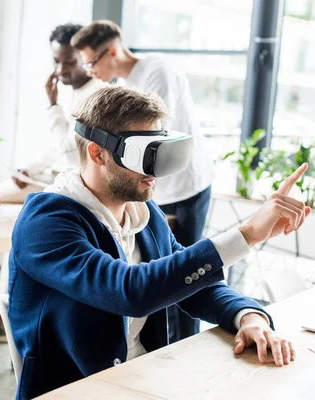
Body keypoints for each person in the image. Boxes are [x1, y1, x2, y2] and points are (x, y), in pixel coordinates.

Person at [8, 86, 310, 399]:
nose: (155, 169)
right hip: (77, 389)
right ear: (97, 152)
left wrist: (248, 317)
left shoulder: (144, 213)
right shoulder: (46, 221)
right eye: (142, 154)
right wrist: (248, 234)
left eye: (160, 149)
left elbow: (195, 283)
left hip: (145, 379)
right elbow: (129, 291)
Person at [0, 23, 105, 344]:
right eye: (56, 61)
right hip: (45, 175)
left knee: (21, 229)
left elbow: (71, 152)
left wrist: (52, 105)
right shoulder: (71, 92)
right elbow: (56, 147)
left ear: (85, 58)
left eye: (68, 61)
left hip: (70, 186)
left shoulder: (97, 94)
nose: (60, 69)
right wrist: (28, 168)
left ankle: (2, 321)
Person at [71, 20, 216, 342]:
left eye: (92, 62)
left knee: (184, 276)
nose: (90, 71)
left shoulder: (156, 73)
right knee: (161, 273)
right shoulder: (124, 81)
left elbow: (153, 147)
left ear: (112, 51)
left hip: (185, 187)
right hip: (152, 189)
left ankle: (184, 346)